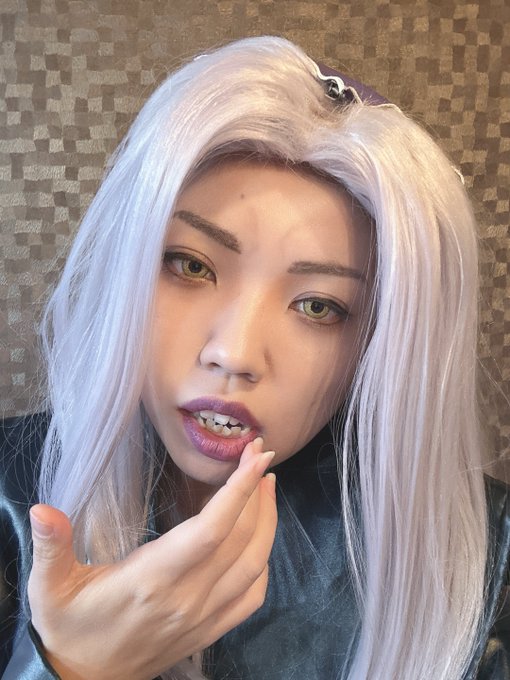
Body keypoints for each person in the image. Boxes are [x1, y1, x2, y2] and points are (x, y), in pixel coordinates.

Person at [1, 35, 509, 680]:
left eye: (319, 306)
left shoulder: (486, 558)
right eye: (191, 266)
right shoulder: (8, 500)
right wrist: (68, 667)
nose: (234, 354)